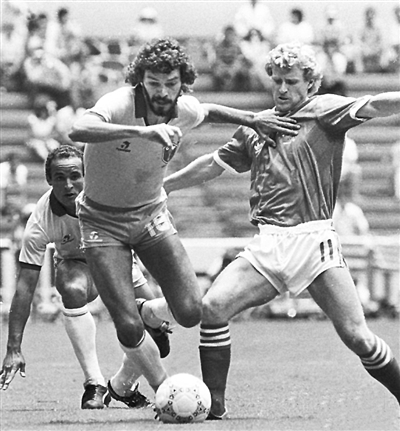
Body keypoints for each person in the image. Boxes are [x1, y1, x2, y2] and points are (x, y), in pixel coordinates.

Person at [163, 43, 400, 419]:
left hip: (314, 242)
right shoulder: (257, 125)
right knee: (213, 307)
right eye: (277, 81)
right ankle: (215, 407)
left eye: (291, 81)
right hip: (269, 243)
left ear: (311, 84)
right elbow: (213, 163)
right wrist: (165, 186)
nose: (282, 88)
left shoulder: (324, 111)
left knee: (357, 336)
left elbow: (373, 105)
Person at [68, 38, 296, 406]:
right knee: (127, 325)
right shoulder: (120, 103)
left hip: (150, 214)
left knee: (190, 311)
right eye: (153, 83)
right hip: (101, 221)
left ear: (182, 83)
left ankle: (149, 314)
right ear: (140, 79)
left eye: (170, 83)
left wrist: (252, 119)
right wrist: (142, 132)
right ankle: (166, 392)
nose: (162, 91)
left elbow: (208, 111)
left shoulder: (183, 109)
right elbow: (78, 129)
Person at [0, 145, 168, 410]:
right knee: (71, 287)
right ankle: (94, 383)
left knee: (158, 338)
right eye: (60, 177)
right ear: (49, 180)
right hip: (77, 264)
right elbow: (25, 286)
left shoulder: (110, 198)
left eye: (75, 176)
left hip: (118, 261)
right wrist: (13, 348)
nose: (68, 185)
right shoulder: (41, 220)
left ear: (87, 175)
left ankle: (121, 386)